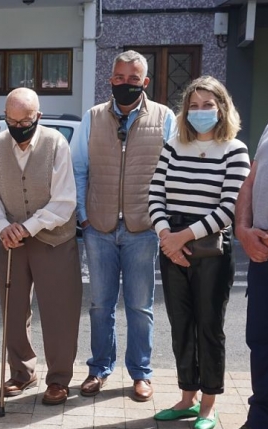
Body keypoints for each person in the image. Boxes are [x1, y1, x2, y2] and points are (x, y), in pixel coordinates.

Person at [72, 50, 175, 401]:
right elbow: (79, 168)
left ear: (144, 82)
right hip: (98, 227)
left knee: (140, 306)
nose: (125, 84)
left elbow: (170, 175)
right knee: (101, 305)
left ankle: (141, 373)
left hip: (142, 228)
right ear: (110, 79)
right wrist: (83, 216)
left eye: (133, 79)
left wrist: (162, 222)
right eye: (119, 78)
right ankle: (99, 367)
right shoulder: (93, 117)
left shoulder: (164, 117)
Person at [148, 76, 249, 429]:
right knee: (181, 325)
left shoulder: (234, 150)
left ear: (222, 108)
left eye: (209, 105)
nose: (201, 111)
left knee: (208, 326)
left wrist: (182, 239)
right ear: (185, 110)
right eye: (194, 105)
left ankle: (208, 404)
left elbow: (230, 208)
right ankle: (187, 397)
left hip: (211, 248)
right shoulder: (173, 146)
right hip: (171, 239)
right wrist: (166, 237)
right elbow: (154, 195)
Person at [0, 88, 81, 405]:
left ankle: (58, 380)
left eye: (24, 120)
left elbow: (65, 201)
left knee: (58, 312)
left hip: (54, 238)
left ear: (37, 116)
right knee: (13, 310)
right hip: (12, 239)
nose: (17, 126)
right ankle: (22, 372)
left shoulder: (56, 143)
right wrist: (2, 227)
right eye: (11, 119)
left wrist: (28, 226)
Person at [217, 117, 268, 429]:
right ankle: (264, 423)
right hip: (263, 255)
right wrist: (242, 228)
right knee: (263, 339)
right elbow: (251, 181)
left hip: (267, 246)